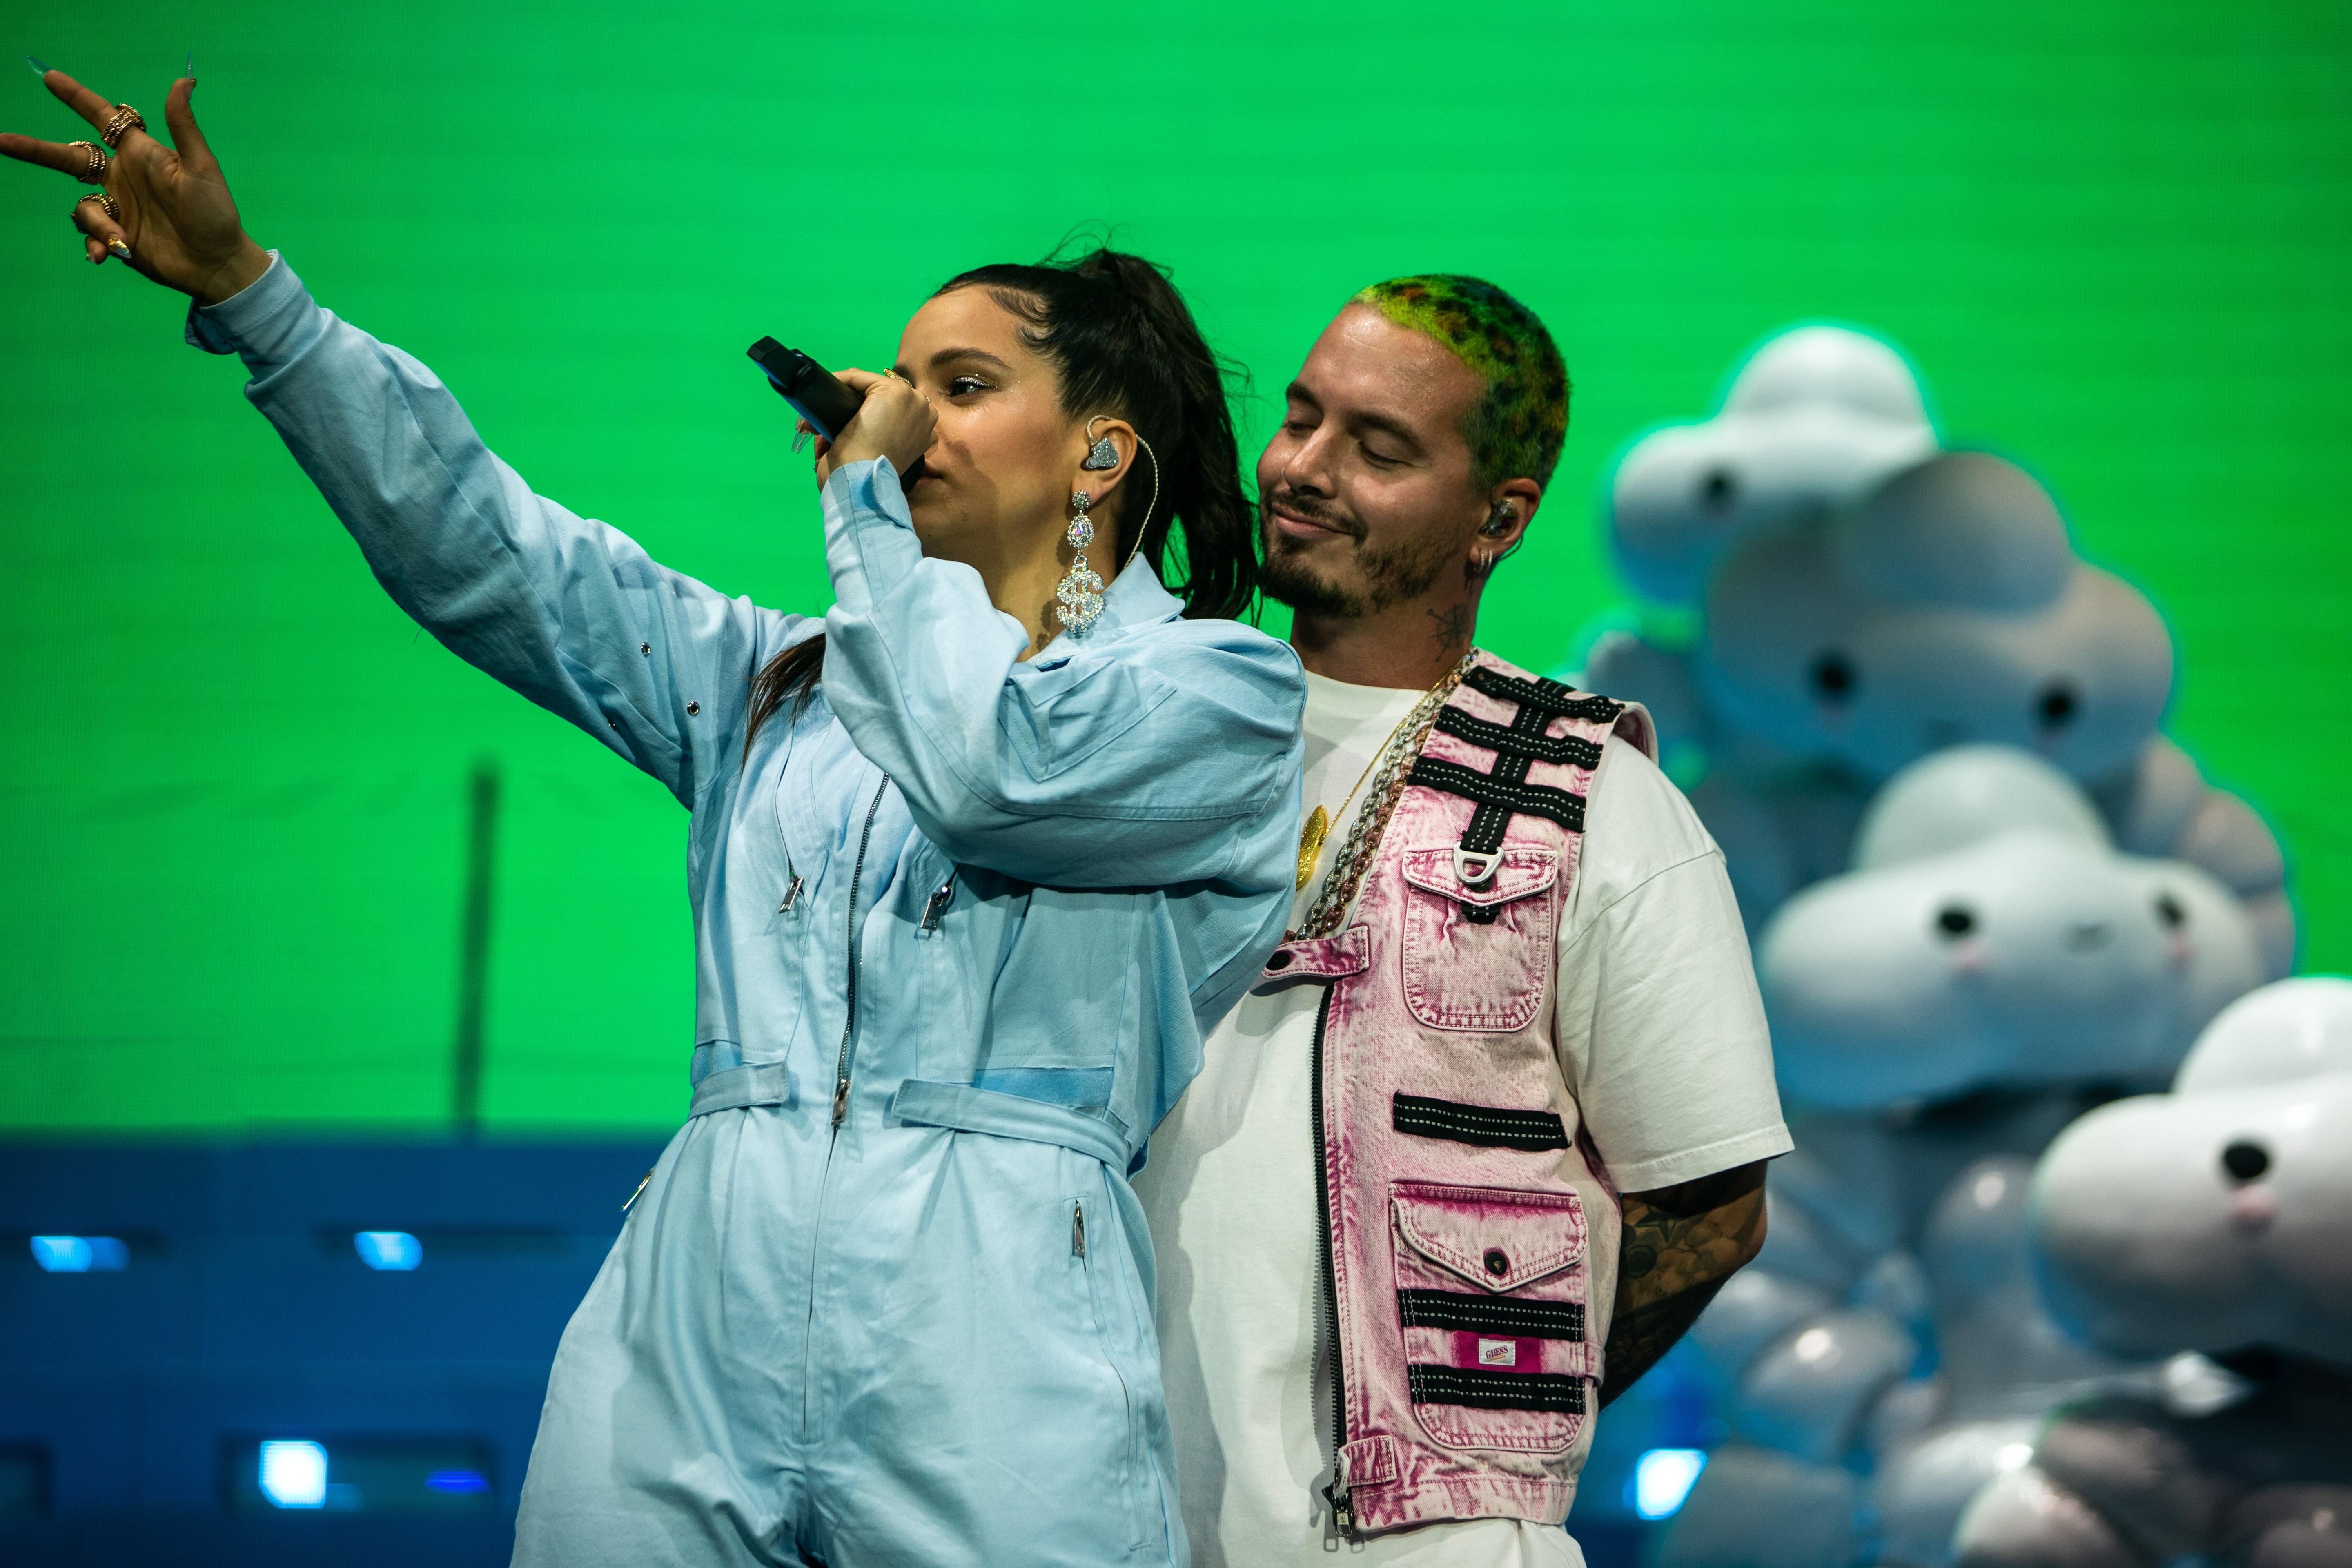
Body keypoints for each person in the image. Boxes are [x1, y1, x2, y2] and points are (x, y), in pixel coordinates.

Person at [5, 65, 1305, 1567]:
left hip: (998, 1312)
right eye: (898, 380)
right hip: (700, 1295)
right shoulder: (778, 683)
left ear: (1101, 454)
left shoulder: (1217, 695)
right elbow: (488, 546)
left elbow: (988, 768)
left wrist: (867, 517)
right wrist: (255, 296)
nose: (895, 415)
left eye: (960, 386)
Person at [1134, 276, 1791, 1564]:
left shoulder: (1595, 796)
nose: (1303, 469)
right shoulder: (1141, 736)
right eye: (1303, 420)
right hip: (1106, 1514)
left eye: (1378, 448)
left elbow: (1713, 1207)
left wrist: (1490, 1427)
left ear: (1498, 518)